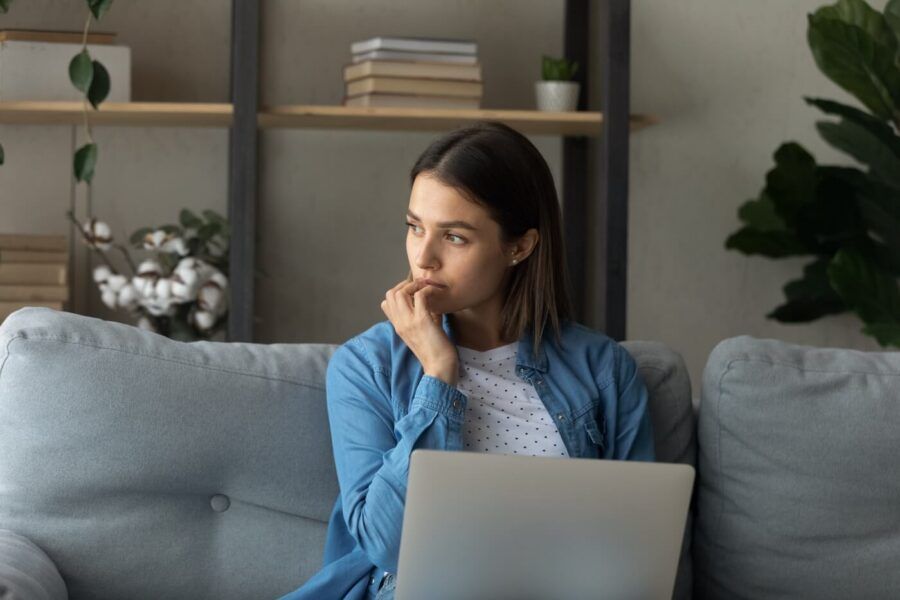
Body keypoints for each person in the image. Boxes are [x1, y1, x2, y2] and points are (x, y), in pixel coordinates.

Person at [277, 121, 655, 600]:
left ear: (519, 246)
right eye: (415, 228)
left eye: (454, 237)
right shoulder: (367, 366)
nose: (424, 257)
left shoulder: (603, 369)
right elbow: (389, 545)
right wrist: (439, 374)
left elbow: (638, 552)